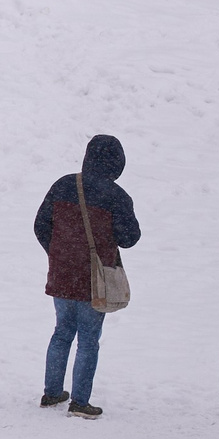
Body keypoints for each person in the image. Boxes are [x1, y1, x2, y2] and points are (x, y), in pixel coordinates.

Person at [34, 133, 139, 419]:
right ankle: (80, 401)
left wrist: (58, 252)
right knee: (89, 339)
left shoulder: (64, 185)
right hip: (95, 278)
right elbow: (130, 238)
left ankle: (52, 392)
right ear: (117, 163)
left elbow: (40, 225)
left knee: (62, 332)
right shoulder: (116, 196)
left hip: (62, 274)